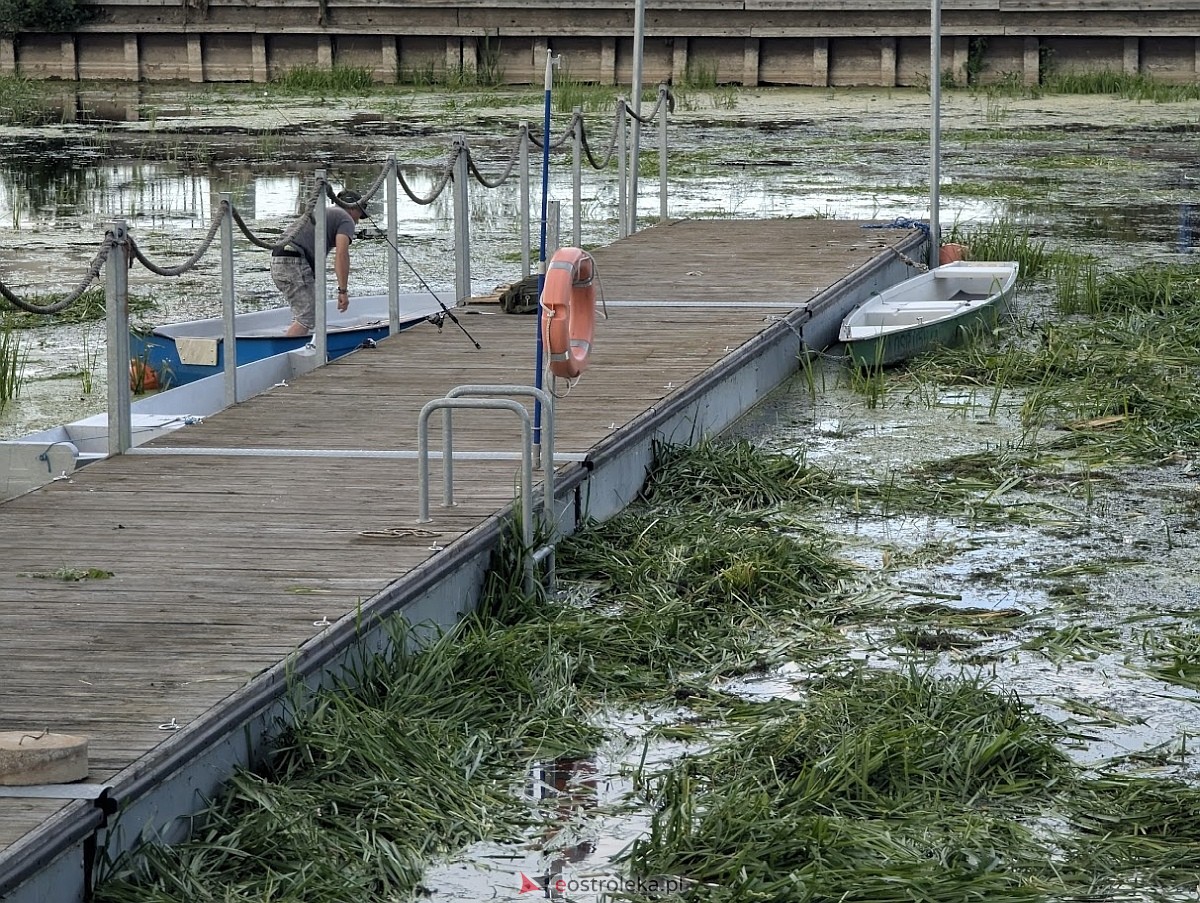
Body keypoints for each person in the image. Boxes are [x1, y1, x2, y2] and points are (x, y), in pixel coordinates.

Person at [271, 188, 370, 337]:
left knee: (303, 313)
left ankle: (296, 341)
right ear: (352, 207)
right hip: (294, 260)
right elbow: (342, 255)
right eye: (359, 214)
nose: (357, 220)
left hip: (278, 259)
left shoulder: (325, 213)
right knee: (307, 317)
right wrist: (343, 291)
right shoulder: (346, 219)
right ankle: (285, 349)